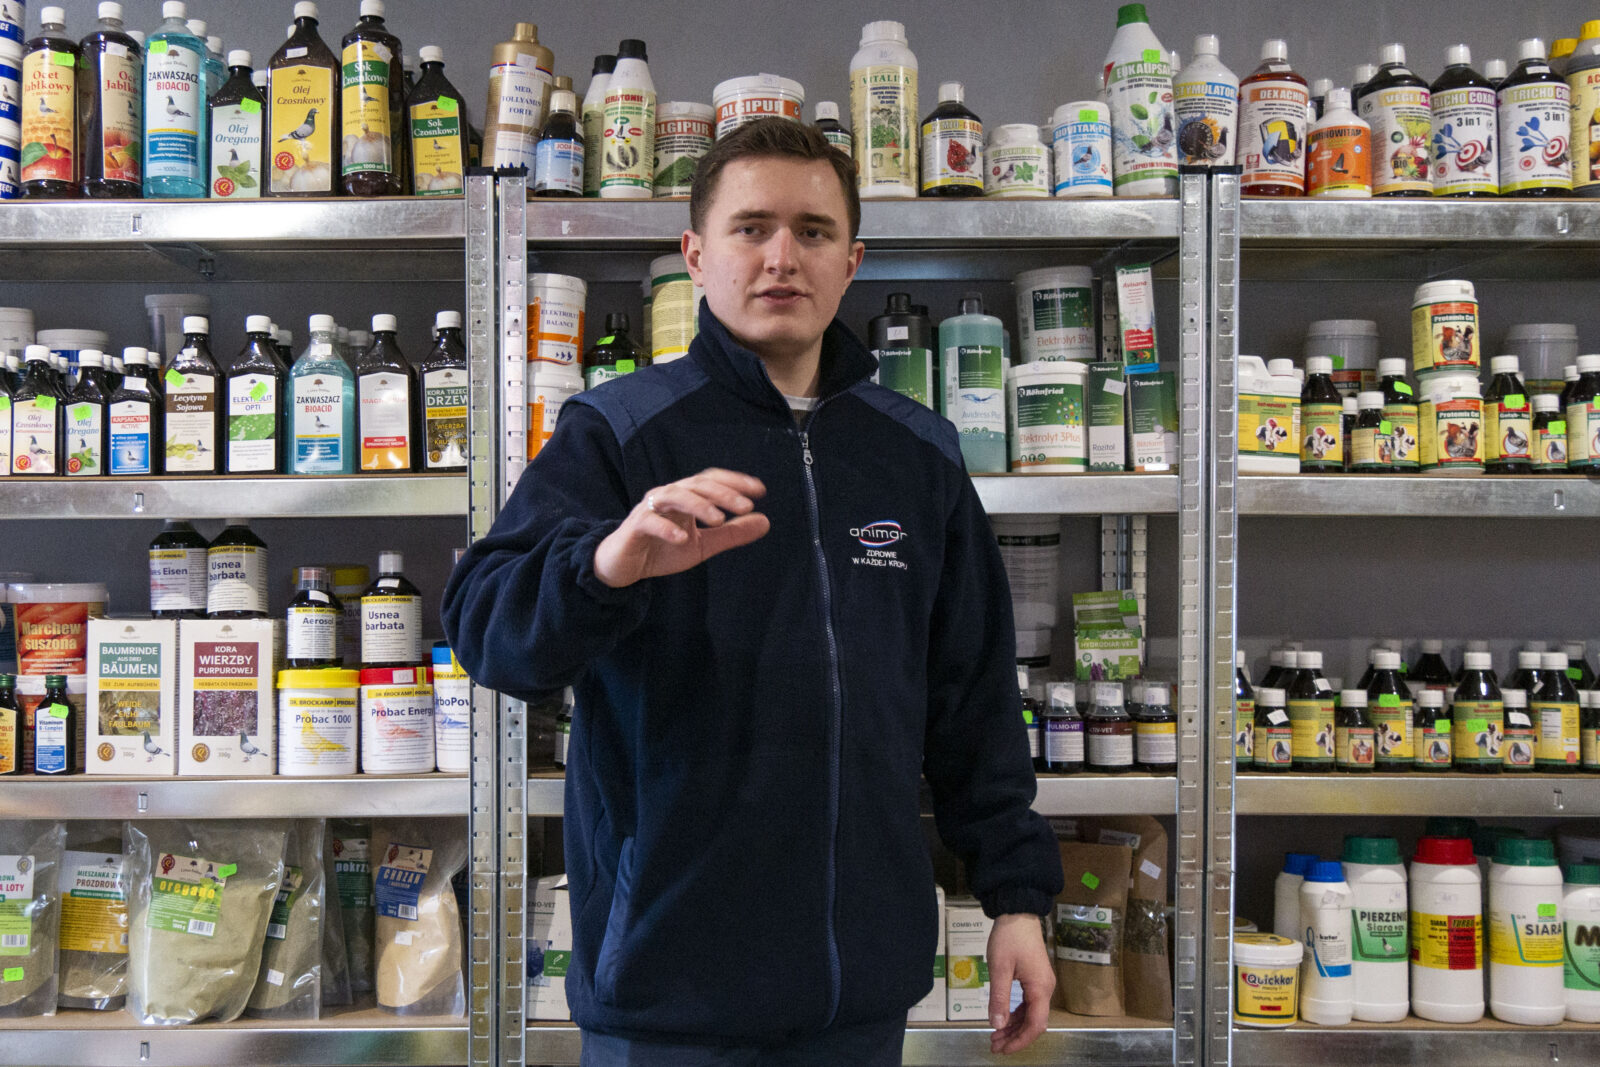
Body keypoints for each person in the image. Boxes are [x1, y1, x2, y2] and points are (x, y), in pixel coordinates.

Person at [442, 117, 1063, 1065]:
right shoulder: (620, 431)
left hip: (858, 999)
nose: (782, 257)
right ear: (696, 254)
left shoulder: (918, 454)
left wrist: (1016, 898)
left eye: (813, 232)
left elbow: (973, 700)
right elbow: (487, 628)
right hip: (666, 998)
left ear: (850, 262)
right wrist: (605, 564)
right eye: (751, 228)